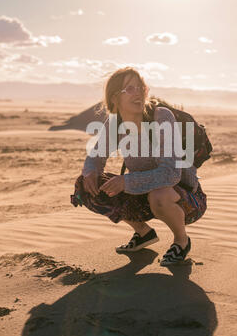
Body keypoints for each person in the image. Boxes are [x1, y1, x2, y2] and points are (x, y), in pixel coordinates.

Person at [73, 67, 207, 266]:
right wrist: (91, 172)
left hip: (185, 199)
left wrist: (126, 181)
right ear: (114, 98)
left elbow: (170, 174)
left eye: (140, 87)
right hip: (142, 194)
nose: (138, 93)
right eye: (129, 89)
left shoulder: (161, 117)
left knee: (158, 194)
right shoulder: (115, 124)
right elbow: (95, 156)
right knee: (86, 185)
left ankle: (181, 240)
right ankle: (144, 233)